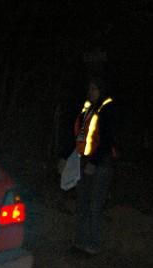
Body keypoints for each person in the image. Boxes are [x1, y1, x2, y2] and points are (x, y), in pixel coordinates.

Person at [57, 75, 118, 256]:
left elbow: (107, 140)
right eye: (89, 89)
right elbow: (77, 136)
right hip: (83, 162)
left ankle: (93, 244)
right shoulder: (87, 110)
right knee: (82, 202)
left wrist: (94, 162)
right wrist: (63, 157)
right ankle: (80, 242)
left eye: (94, 89)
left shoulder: (108, 109)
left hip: (101, 165)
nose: (90, 92)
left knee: (94, 205)